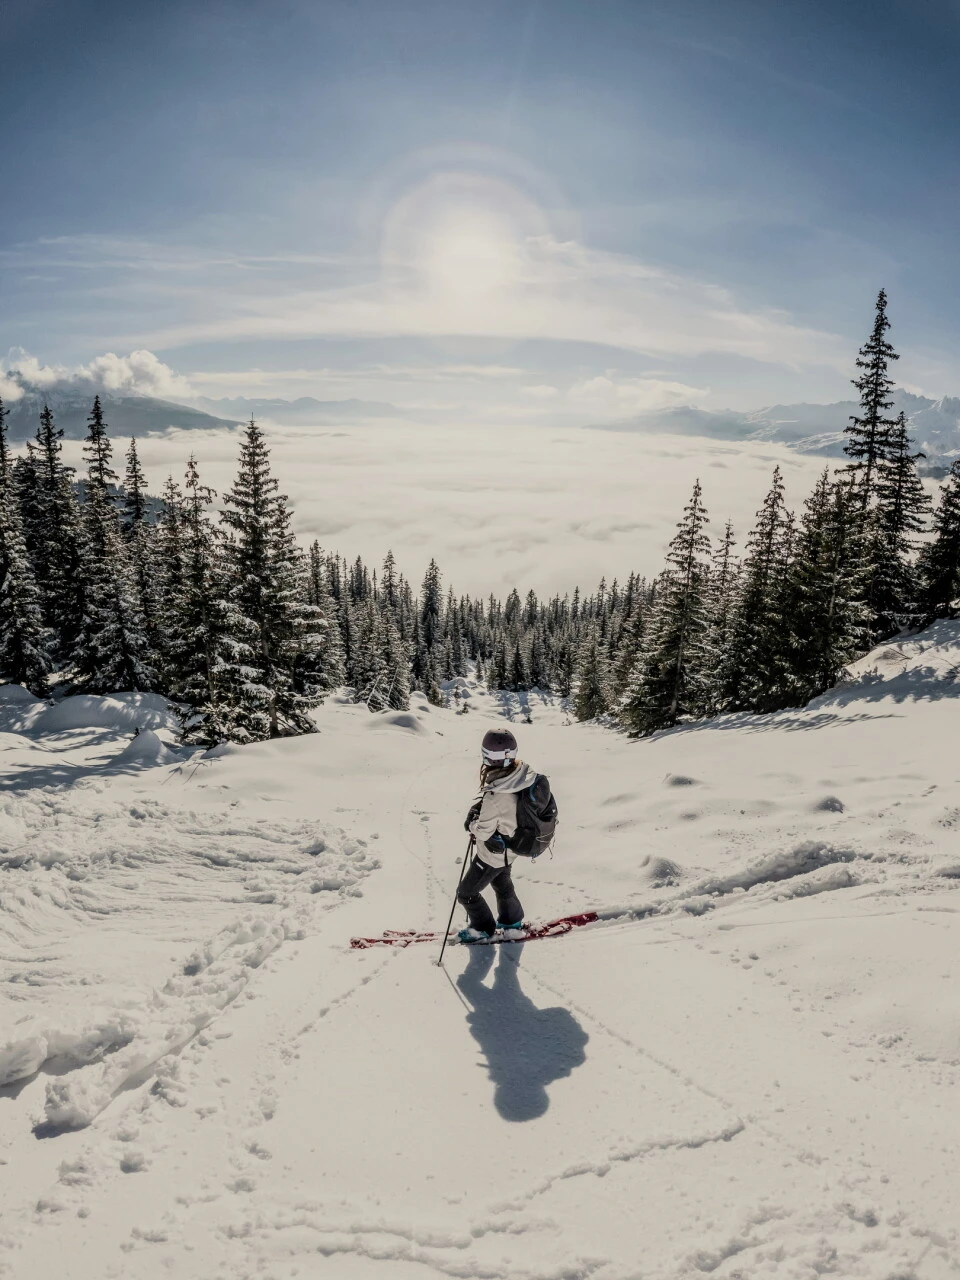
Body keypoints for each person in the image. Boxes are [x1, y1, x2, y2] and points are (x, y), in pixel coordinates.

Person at [458, 728, 538, 942]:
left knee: (466, 893)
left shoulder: (496, 795)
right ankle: (512, 921)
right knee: (502, 884)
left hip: (492, 855)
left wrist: (472, 823)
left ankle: (482, 929)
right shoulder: (521, 775)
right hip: (511, 847)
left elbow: (483, 831)